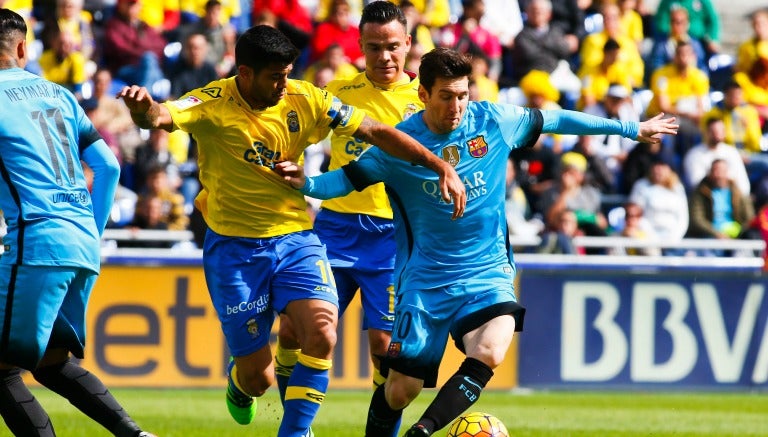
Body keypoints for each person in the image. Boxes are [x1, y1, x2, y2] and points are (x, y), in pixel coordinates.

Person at [274, 47, 678, 436]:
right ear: (423, 94)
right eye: (446, 96)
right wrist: (305, 183)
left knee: (490, 349)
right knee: (401, 391)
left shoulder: (494, 120)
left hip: (487, 271)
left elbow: (556, 120)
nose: (456, 107)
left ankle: (423, 431)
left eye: (463, 95)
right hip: (425, 281)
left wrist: (629, 129)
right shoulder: (398, 145)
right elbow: (343, 181)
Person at [117, 24, 465, 437]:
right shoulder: (212, 101)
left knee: (321, 331)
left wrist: (438, 165)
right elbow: (160, 115)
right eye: (274, 77)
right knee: (257, 378)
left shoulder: (307, 96)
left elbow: (375, 132)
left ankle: (294, 433)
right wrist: (142, 109)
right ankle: (240, 381)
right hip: (234, 249)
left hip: (295, 238)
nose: (285, 84)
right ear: (244, 74)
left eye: (288, 73)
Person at [0, 9, 155, 437]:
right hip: (82, 243)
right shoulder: (60, 94)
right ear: (23, 47)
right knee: (51, 362)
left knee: (1, 370)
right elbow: (107, 167)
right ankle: (135, 434)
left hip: (35, 242)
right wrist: (91, 229)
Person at [277, 0, 426, 410]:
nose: (385, 56)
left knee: (384, 347)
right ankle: (293, 420)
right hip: (335, 229)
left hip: (392, 238)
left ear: (408, 44)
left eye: (393, 46)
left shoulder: (425, 98)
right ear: (360, 45)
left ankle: (379, 424)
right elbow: (298, 135)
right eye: (374, 47)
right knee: (293, 328)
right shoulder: (339, 93)